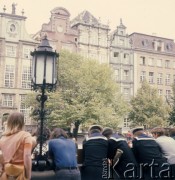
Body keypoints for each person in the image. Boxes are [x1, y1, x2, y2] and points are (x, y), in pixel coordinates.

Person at [0, 112, 35, 180]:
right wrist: (28, 175)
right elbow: (27, 156)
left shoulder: (3, 138)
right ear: (22, 122)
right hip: (19, 174)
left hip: (6, 174)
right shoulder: (25, 136)